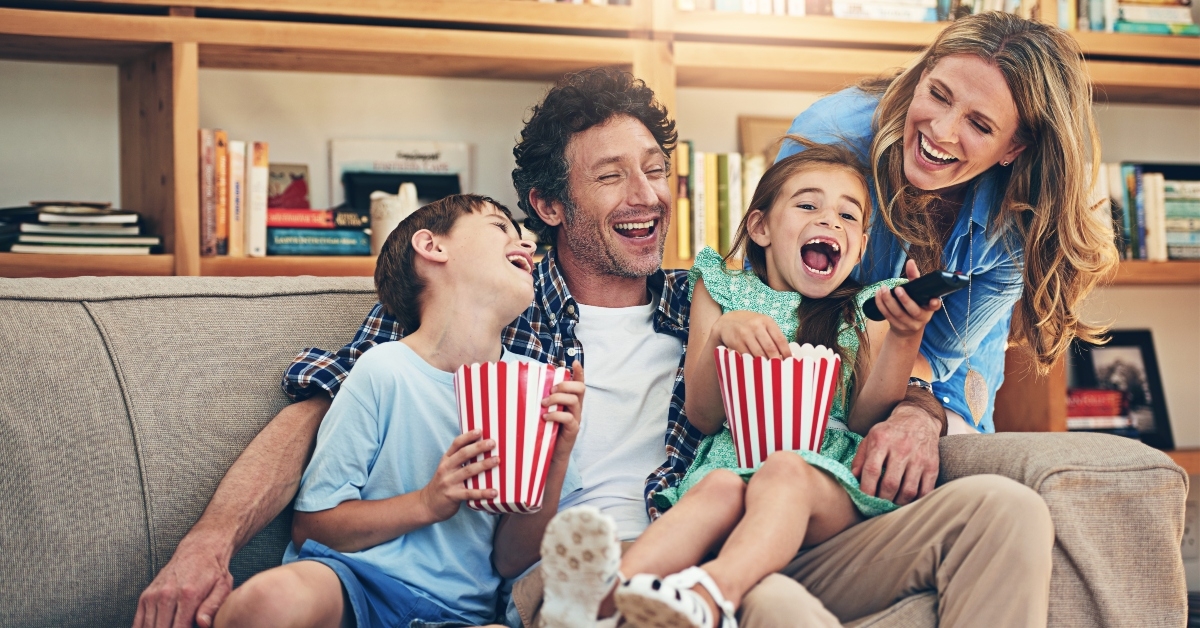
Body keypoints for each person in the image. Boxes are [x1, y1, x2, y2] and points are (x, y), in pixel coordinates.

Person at [211, 195, 585, 628]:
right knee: (268, 600)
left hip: (459, 613)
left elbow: (509, 561)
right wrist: (427, 503)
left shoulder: (537, 385)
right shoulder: (383, 369)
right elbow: (312, 527)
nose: (526, 245)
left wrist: (557, 456)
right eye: (500, 227)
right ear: (431, 247)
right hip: (354, 582)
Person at [608, 141, 941, 627]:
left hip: (821, 482)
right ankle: (596, 601)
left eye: (849, 217)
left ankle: (706, 595)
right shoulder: (722, 288)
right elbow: (703, 416)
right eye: (808, 205)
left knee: (783, 472)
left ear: (862, 247)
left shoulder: (866, 309)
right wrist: (723, 335)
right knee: (718, 487)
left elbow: (866, 419)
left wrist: (906, 337)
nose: (830, 221)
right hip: (734, 463)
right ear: (760, 227)